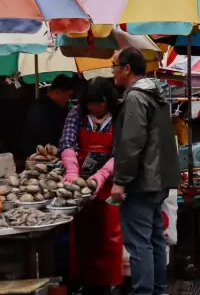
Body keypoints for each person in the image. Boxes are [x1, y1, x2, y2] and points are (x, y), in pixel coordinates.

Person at [111, 47, 181, 295]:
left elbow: (132, 142)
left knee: (140, 243)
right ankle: (159, 291)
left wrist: (120, 181)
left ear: (127, 68)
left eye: (114, 66)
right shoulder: (155, 95)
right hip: (159, 181)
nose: (113, 72)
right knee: (154, 241)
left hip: (142, 182)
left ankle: (143, 292)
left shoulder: (135, 98)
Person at [60, 78, 122, 295]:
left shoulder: (120, 116)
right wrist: (72, 171)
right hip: (80, 184)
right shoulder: (76, 114)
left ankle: (107, 283)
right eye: (90, 103)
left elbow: (121, 151)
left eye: (98, 103)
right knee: (82, 234)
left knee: (108, 235)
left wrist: (103, 174)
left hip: (109, 185)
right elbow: (67, 142)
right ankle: (84, 281)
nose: (93, 108)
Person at [22, 74, 73, 156]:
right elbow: (45, 139)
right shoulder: (41, 110)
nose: (69, 99)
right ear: (57, 92)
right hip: (40, 156)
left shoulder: (60, 107)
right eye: (68, 95)